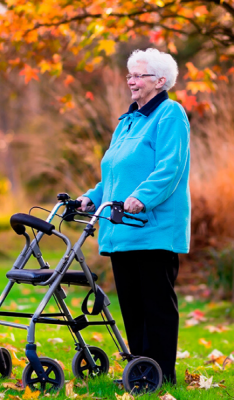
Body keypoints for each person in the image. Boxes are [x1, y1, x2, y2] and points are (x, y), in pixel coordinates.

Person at [77, 48, 191, 384]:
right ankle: (141, 373)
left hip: (153, 229)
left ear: (160, 81)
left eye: (138, 75)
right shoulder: (127, 123)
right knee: (132, 308)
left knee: (156, 308)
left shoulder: (170, 115)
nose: (131, 80)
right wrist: (91, 197)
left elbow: (170, 168)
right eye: (130, 74)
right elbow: (113, 177)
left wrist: (142, 197)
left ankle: (162, 376)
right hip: (121, 229)